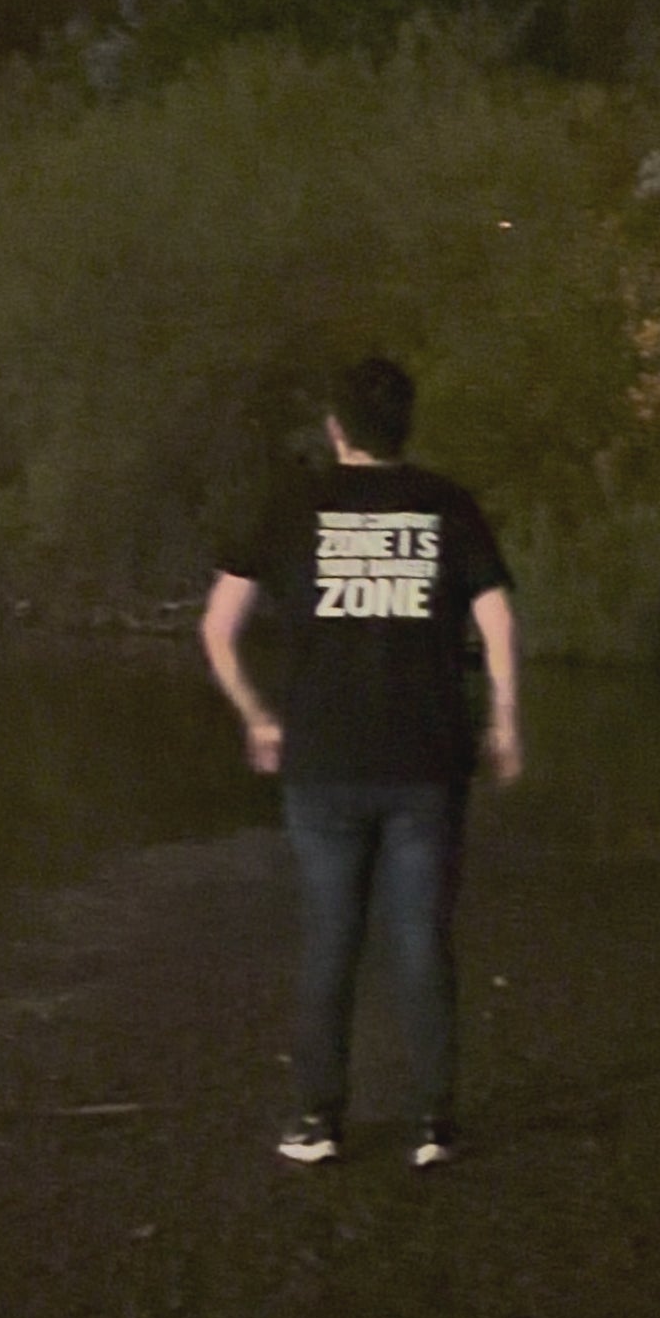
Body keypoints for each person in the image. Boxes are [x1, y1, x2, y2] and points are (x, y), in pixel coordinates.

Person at [200, 354, 520, 1167]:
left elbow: (217, 628)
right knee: (421, 939)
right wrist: (505, 718)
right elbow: (497, 619)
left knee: (331, 936)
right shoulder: (447, 503)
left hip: (324, 759)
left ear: (336, 426)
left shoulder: (290, 505)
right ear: (405, 423)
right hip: (427, 756)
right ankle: (433, 1124)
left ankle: (317, 1120)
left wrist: (258, 717)